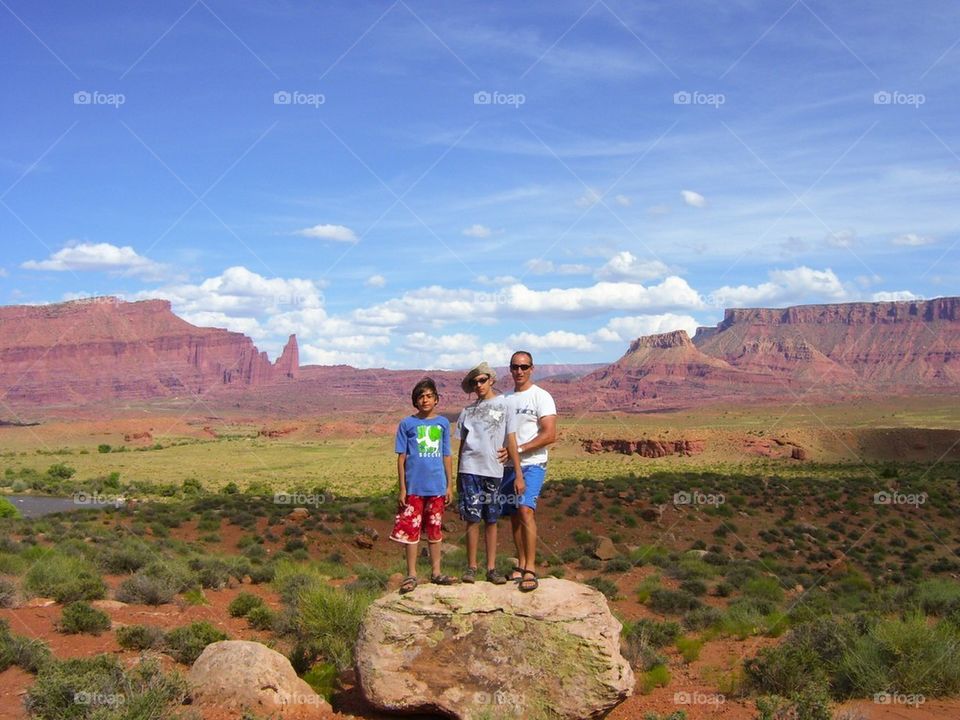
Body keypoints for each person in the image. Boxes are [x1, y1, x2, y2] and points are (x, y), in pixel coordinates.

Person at [455, 362, 523, 585]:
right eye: (474, 382)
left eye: (482, 380)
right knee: (472, 519)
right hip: (469, 469)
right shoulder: (467, 411)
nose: (478, 385)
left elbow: (511, 438)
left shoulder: (505, 405)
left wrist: (518, 472)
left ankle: (491, 569)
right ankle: (472, 567)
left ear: (491, 380)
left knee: (492, 519)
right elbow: (462, 444)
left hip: (494, 470)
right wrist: (456, 475)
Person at [390, 378, 456, 593]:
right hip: (414, 489)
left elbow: (447, 455)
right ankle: (411, 575)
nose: (425, 400)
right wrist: (402, 488)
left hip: (437, 487)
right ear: (415, 401)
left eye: (429, 396)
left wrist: (449, 485)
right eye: (420, 396)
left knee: (435, 532)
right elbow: (401, 458)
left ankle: (436, 573)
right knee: (411, 532)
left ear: (436, 399)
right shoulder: (407, 424)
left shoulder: (443, 423)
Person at [500, 351, 556, 592]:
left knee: (525, 510)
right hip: (507, 467)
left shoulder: (541, 397)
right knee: (514, 515)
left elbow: (549, 434)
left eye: (524, 367)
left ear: (532, 368)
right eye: (515, 367)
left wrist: (519, 450)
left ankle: (531, 568)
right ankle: (521, 563)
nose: (519, 371)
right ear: (510, 369)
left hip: (533, 463)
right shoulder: (504, 399)